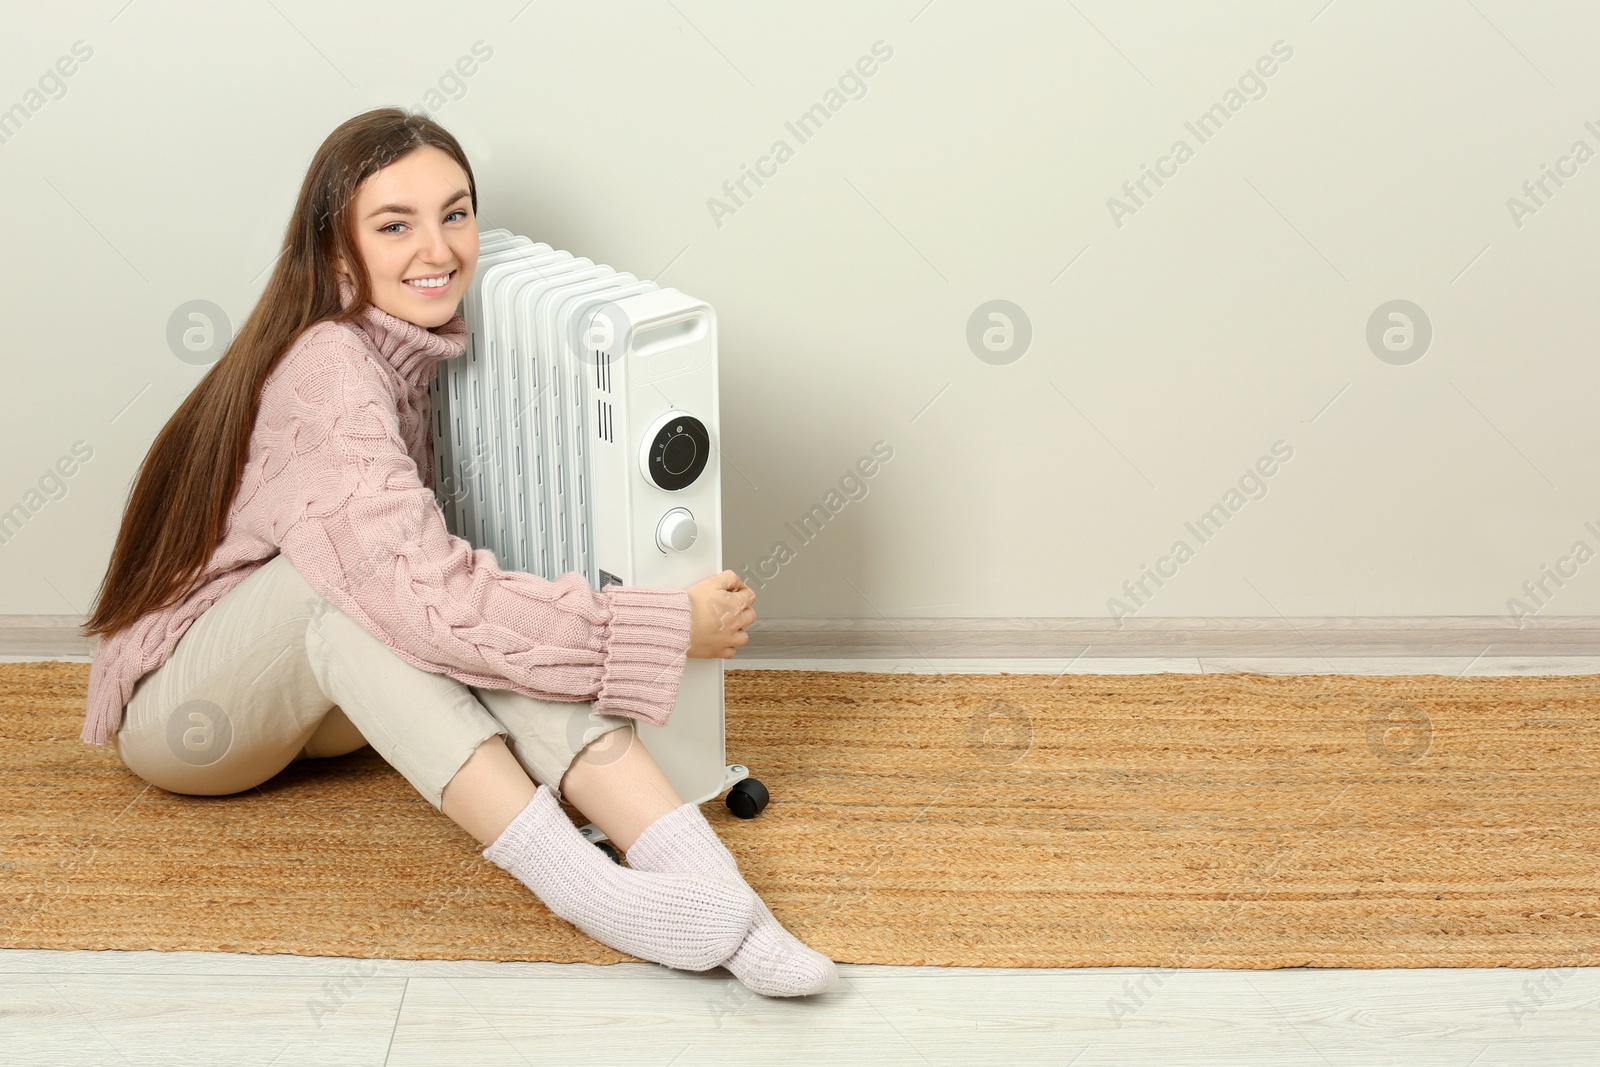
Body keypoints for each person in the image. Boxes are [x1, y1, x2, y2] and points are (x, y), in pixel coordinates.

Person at [77, 107, 836, 997]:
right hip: (189, 717)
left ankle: (726, 900)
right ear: (336, 256)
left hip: (312, 704)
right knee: (372, 600)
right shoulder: (329, 366)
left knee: (474, 628)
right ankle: (590, 890)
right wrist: (663, 626)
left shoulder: (406, 351)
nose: (437, 249)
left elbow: (443, 606)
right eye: (394, 224)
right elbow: (414, 599)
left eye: (456, 212)